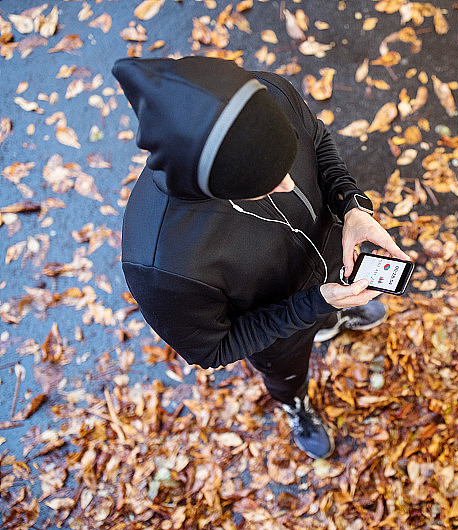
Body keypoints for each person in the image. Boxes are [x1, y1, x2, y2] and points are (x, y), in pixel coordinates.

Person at [112, 56, 410, 459]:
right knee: (288, 376)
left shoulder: (269, 93)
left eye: (283, 162)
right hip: (278, 335)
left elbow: (318, 140)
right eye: (263, 182)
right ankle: (295, 405)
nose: (288, 183)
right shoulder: (161, 267)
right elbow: (213, 349)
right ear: (211, 187)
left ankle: (335, 318)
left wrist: (351, 206)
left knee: (335, 302)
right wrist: (315, 302)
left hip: (335, 262)